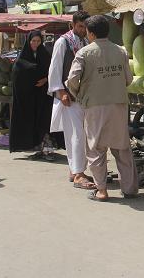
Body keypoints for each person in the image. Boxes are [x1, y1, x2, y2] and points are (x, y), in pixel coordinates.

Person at [67, 15, 138, 201]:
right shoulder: (121, 51)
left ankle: (102, 190)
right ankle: (129, 189)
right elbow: (128, 79)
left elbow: (72, 80)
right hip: (119, 104)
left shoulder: (83, 53)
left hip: (94, 105)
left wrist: (79, 94)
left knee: (96, 148)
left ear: (90, 34)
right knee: (122, 148)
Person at [48, 10, 96, 189]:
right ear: (73, 25)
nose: (83, 30)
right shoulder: (63, 42)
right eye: (80, 26)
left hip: (83, 96)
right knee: (75, 135)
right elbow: (55, 69)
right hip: (69, 96)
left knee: (81, 135)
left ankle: (74, 169)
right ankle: (78, 174)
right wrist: (60, 92)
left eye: (86, 27)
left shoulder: (86, 41)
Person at [9, 30, 54, 155]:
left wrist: (45, 80)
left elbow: (52, 71)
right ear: (29, 41)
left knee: (43, 120)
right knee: (28, 120)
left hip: (43, 95)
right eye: (33, 41)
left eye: (38, 41)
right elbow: (18, 75)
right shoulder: (22, 58)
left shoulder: (45, 55)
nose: (36, 43)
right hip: (27, 96)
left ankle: (44, 145)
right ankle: (30, 145)